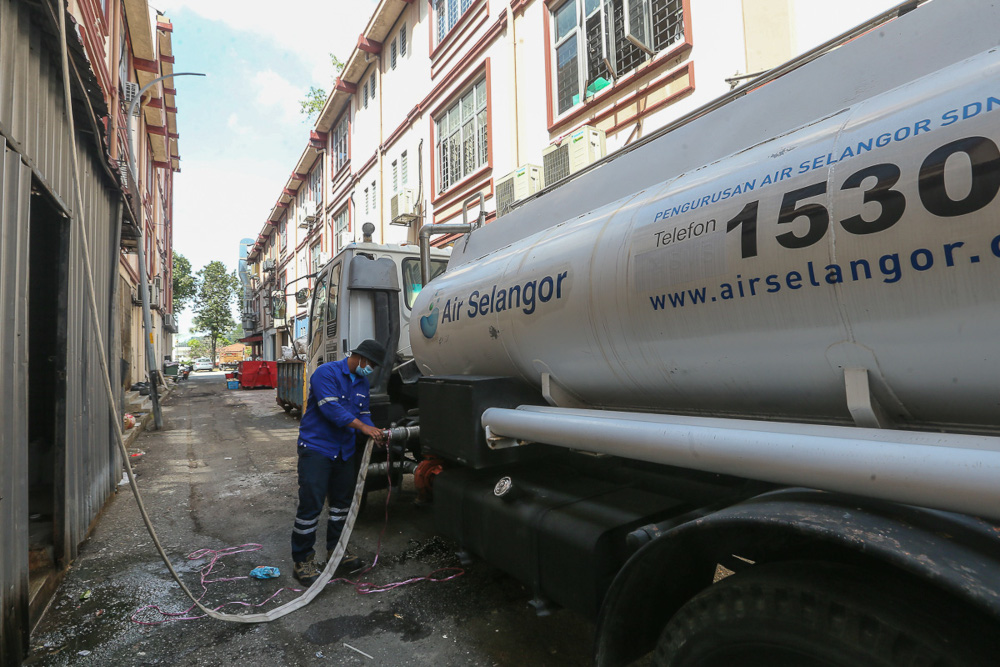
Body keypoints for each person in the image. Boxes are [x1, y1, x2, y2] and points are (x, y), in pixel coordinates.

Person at [291, 339, 387, 585]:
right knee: (311, 506)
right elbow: (331, 409)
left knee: (341, 505)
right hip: (317, 449)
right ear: (361, 358)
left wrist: (375, 432)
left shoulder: (362, 383)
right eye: (372, 364)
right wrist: (363, 427)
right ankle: (303, 560)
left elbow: (363, 413)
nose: (372, 369)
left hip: (344, 451)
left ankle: (338, 551)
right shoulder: (326, 373)